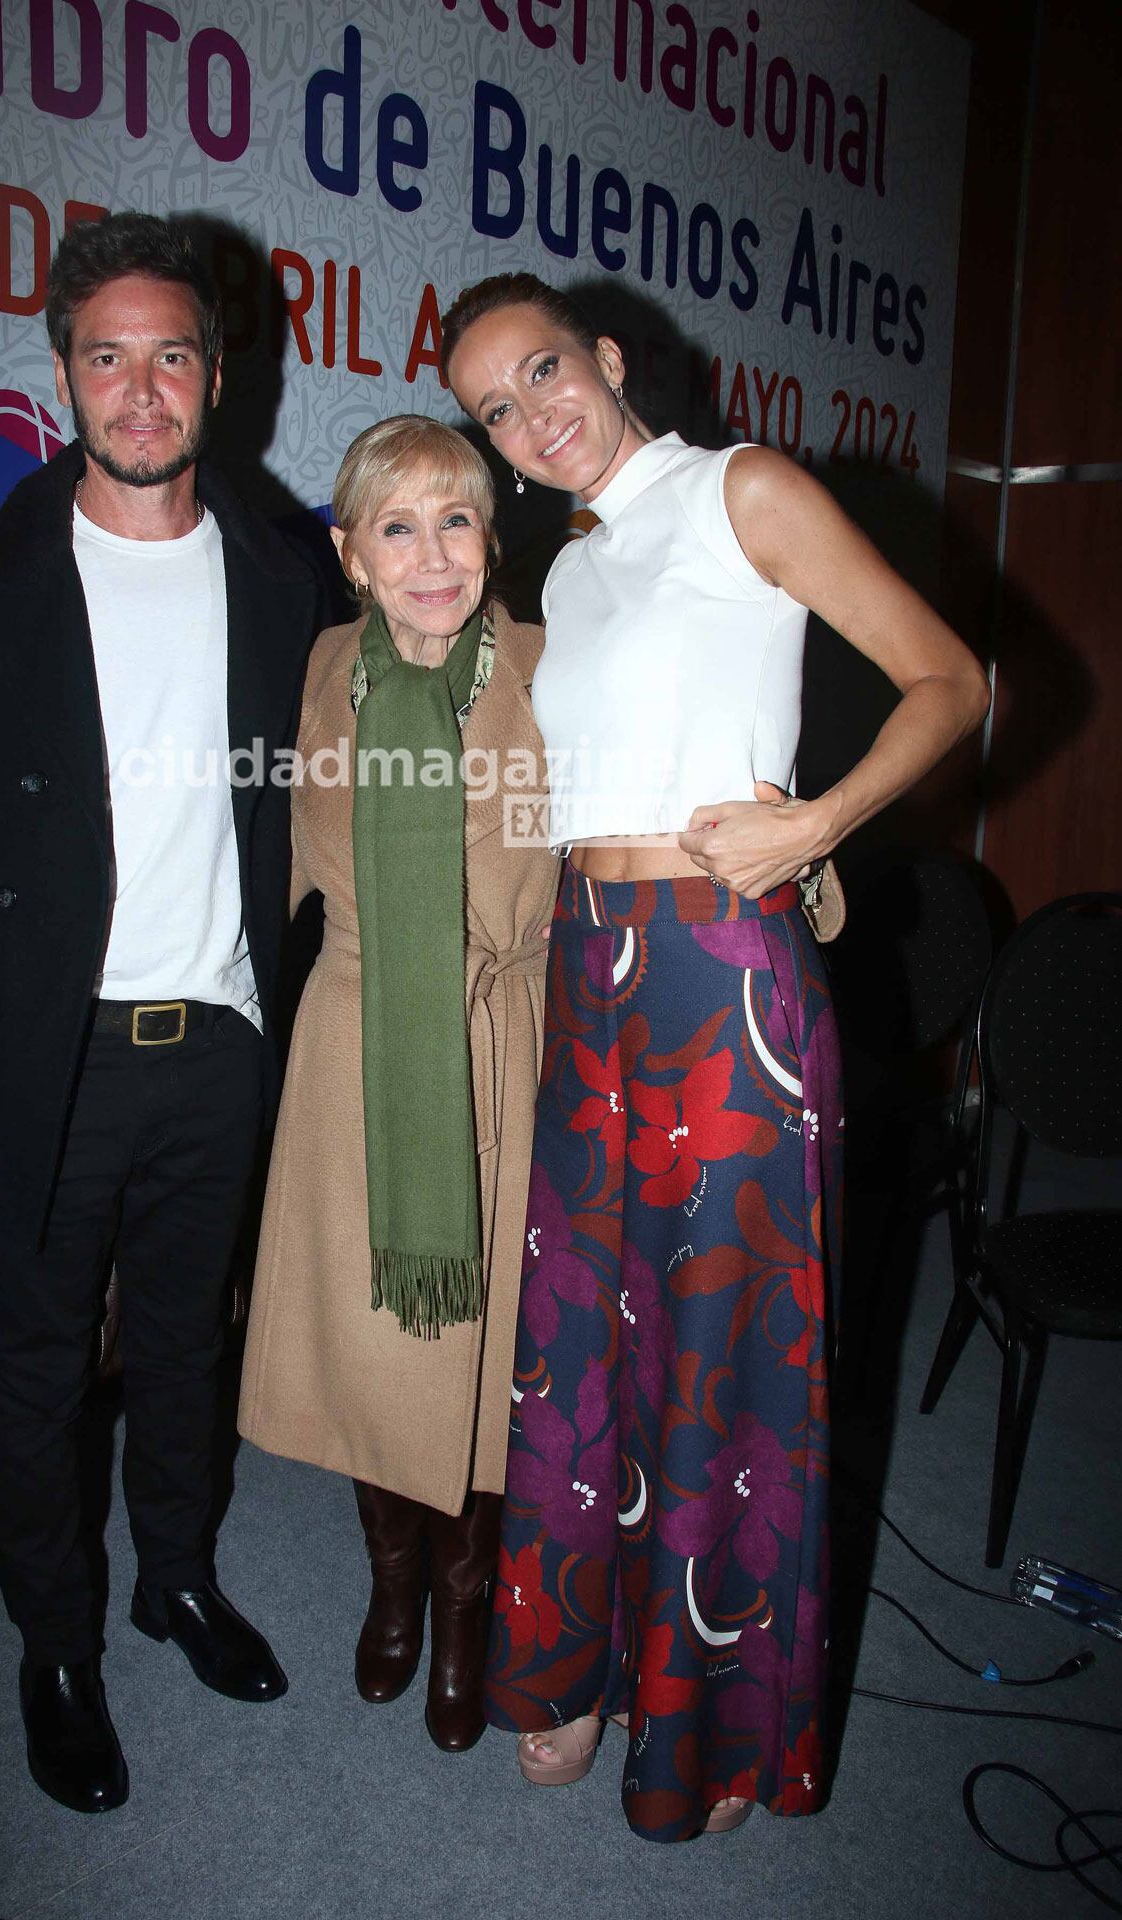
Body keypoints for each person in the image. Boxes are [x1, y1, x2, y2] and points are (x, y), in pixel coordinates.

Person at [442, 273, 990, 1840]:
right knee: (582, 1337)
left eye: (544, 369)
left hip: (719, 974)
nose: (532, 413)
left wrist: (815, 824)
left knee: (722, 1350)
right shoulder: (579, 567)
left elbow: (953, 678)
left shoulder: (741, 490)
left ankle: (714, 1727)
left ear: (608, 360)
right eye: (496, 406)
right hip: (591, 967)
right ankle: (569, 1667)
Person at [0, 212, 325, 1814]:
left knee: (191, 1352)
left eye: (171, 356)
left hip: (221, 1045)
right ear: (64, 372)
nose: (141, 389)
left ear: (220, 375)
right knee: (43, 1363)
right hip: (40, 1058)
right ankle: (55, 1646)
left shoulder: (288, 572)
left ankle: (177, 1577)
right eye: (107, 357)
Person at [238, 415, 560, 1751]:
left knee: (481, 1363)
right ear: (351, 554)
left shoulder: (558, 666)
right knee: (378, 1349)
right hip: (354, 1046)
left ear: (494, 538)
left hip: (502, 1041)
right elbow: (240, 839)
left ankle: (468, 1602)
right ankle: (390, 1588)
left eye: (459, 519)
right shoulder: (312, 676)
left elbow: (657, 794)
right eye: (397, 525)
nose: (433, 554)